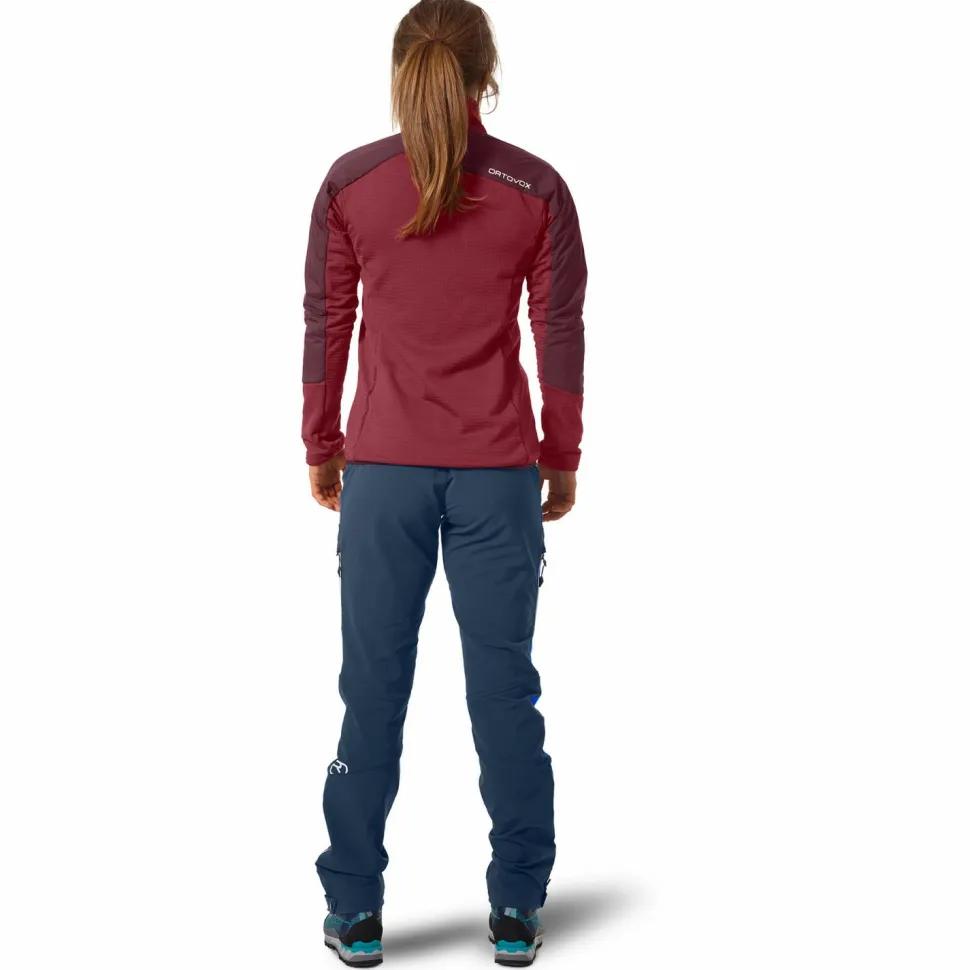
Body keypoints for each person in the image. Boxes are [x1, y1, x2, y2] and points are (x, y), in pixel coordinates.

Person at [302, 1, 586, 964]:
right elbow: (559, 334)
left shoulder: (352, 183)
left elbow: (326, 321)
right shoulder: (536, 189)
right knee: (504, 693)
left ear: (401, 74)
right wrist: (560, 456)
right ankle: (517, 908)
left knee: (371, 692)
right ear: (486, 76)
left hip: (381, 473)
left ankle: (353, 908)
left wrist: (321, 443)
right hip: (498, 474)